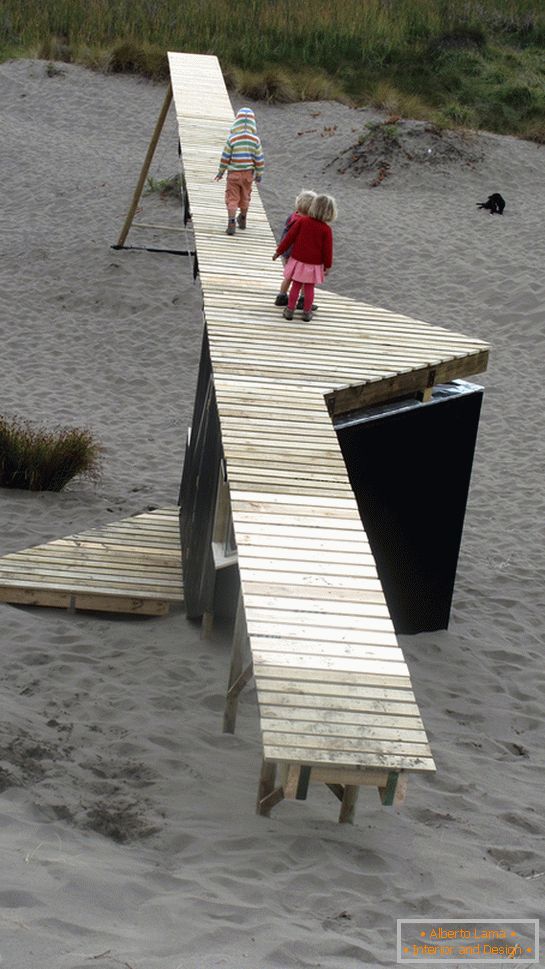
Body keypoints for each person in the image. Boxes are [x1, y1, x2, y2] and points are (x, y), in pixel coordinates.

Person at [272, 194, 337, 322]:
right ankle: (306, 312)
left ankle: (290, 310)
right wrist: (327, 266)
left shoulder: (302, 221)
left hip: (298, 261)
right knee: (309, 288)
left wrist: (279, 252)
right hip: (314, 264)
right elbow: (327, 250)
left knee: (296, 285)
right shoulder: (326, 230)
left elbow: (289, 238)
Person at [214, 108, 264, 235]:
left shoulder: (232, 139)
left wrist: (221, 172)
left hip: (234, 174)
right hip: (248, 175)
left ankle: (231, 222)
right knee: (245, 196)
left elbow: (225, 157)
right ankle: (243, 218)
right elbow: (259, 158)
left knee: (232, 198)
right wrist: (259, 173)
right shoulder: (255, 140)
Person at [274, 190, 317, 309]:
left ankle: (281, 296)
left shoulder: (292, 216)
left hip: (285, 252)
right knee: (304, 278)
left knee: (288, 277)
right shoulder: (306, 222)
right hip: (297, 255)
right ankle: (303, 300)